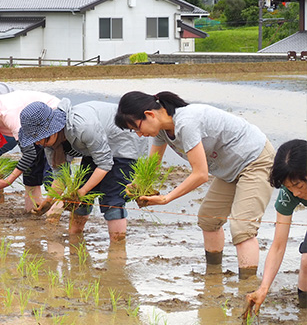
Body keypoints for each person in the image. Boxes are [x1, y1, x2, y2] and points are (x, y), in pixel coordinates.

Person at [115, 91, 275, 278]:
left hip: (255, 160)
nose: (139, 135)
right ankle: (213, 276)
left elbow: (200, 175)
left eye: (137, 128)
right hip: (228, 169)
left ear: (150, 114)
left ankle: (247, 287)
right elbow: (153, 165)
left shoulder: (186, 122)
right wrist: (137, 185)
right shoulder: (162, 132)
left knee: (242, 229)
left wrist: (166, 198)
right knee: (208, 219)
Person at [20, 99, 146, 240]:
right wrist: (49, 201)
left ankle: (117, 251)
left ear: (53, 128)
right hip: (94, 149)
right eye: (34, 139)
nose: (38, 142)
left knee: (112, 199)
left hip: (123, 142)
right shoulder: (49, 144)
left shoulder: (82, 127)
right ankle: (74, 239)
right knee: (79, 199)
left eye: (40, 137)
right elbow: (61, 175)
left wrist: (83, 191)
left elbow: (104, 164)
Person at [244, 139, 307, 316]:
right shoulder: (289, 194)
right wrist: (264, 288)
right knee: (306, 262)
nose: (295, 193)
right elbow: (278, 246)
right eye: (289, 187)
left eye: (299, 186)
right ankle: (303, 313)